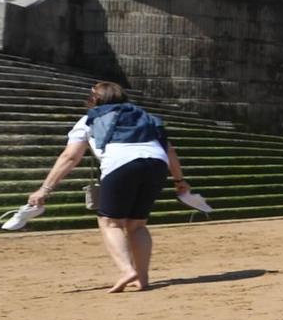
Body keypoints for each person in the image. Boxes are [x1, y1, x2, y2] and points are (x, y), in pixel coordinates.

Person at [27, 81, 196, 293]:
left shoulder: (90, 119)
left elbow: (70, 157)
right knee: (137, 224)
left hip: (121, 164)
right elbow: (170, 151)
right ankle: (142, 278)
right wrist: (180, 181)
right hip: (156, 165)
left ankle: (127, 270)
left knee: (110, 222)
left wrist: (45, 189)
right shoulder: (145, 117)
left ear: (94, 100)